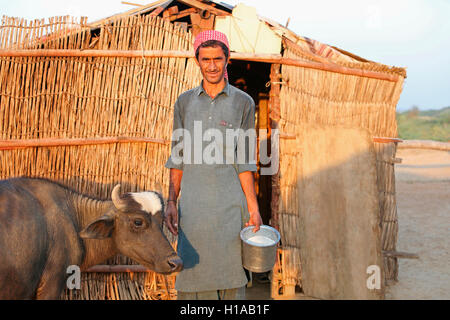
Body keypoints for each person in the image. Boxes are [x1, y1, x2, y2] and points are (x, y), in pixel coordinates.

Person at [164, 30, 262, 300]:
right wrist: (172, 201)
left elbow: (245, 162)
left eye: (217, 59)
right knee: (192, 277)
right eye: (205, 59)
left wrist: (253, 209)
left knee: (231, 278)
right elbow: (178, 155)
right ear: (197, 60)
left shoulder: (244, 103)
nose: (212, 65)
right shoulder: (184, 102)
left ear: (227, 59)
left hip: (230, 208)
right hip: (193, 210)